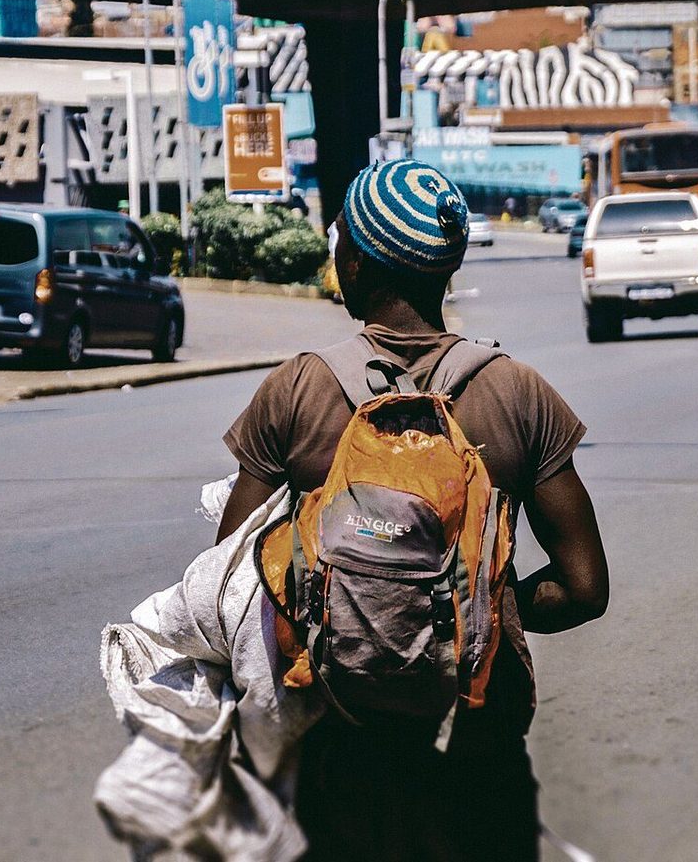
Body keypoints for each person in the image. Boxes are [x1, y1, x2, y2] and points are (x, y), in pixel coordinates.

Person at [218, 159, 608, 862]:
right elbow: (586, 586)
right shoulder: (518, 393)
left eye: (340, 238)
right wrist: (478, 613)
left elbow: (229, 587)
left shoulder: (297, 389)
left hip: (338, 747)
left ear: (361, 264)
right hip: (476, 744)